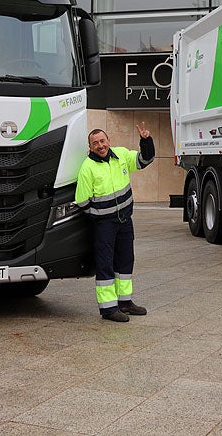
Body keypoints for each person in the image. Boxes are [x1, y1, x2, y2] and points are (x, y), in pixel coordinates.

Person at [75, 122, 155, 322]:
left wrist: (146, 141)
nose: (100, 145)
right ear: (90, 147)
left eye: (102, 141)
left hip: (125, 221)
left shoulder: (121, 155)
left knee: (126, 261)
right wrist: (101, 215)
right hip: (105, 225)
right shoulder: (87, 167)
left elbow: (145, 160)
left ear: (109, 141)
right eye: (95, 143)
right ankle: (109, 309)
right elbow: (82, 201)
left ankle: (125, 303)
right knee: (105, 265)